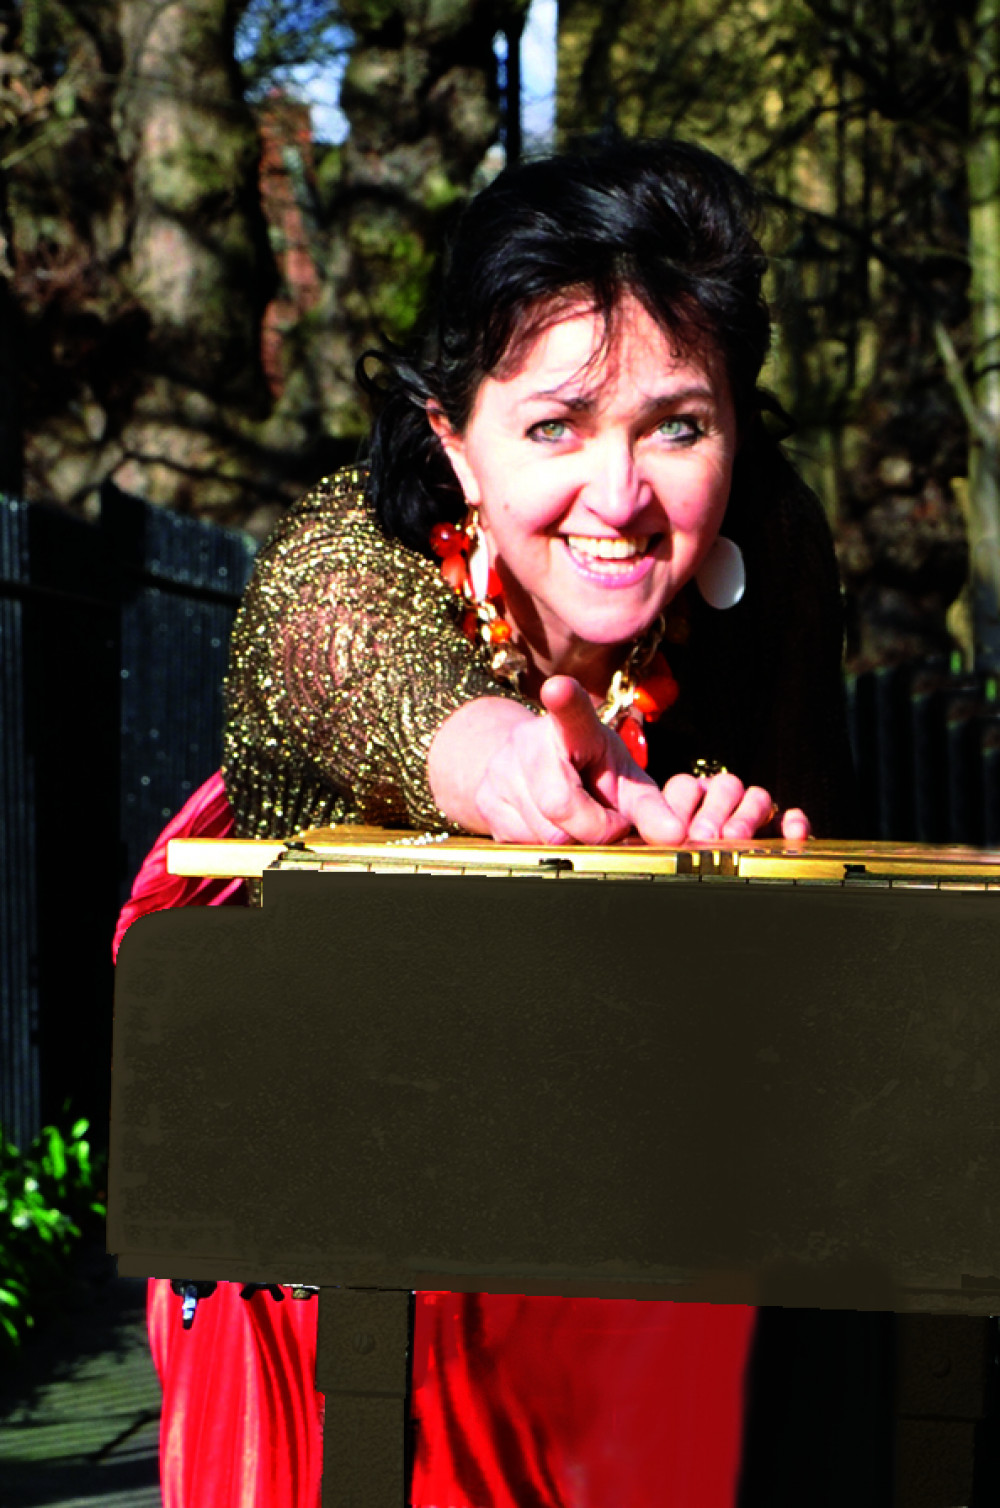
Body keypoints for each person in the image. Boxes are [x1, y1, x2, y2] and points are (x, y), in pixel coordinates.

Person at [119, 138, 890, 1508]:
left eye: (679, 423)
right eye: (555, 426)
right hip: (355, 1230)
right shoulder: (343, 554)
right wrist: (547, 785)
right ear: (450, 434)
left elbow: (820, 909)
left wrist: (758, 867)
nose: (621, 495)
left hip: (648, 1197)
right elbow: (425, 711)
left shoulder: (771, 546)